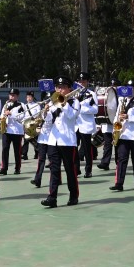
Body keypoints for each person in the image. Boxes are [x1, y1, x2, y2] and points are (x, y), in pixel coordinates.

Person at [40, 76, 81, 208]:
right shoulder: (53, 102)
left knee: (70, 171)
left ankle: (74, 195)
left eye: (63, 87)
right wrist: (45, 112)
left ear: (69, 88)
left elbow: (71, 116)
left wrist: (63, 104)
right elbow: (47, 122)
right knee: (54, 170)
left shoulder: (74, 102)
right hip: (53, 140)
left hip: (68, 142)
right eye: (58, 87)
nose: (60, 90)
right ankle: (52, 198)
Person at [110, 80, 134, 191]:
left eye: (132, 88)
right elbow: (116, 116)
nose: (129, 90)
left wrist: (129, 118)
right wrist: (115, 130)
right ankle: (119, 183)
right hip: (123, 134)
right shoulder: (122, 101)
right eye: (128, 88)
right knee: (122, 159)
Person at [75, 73, 98, 178]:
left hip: (85, 125)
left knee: (87, 149)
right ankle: (76, 169)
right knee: (73, 148)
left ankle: (88, 170)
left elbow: (95, 109)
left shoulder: (91, 94)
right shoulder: (73, 94)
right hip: (75, 125)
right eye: (80, 81)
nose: (81, 83)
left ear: (87, 82)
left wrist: (82, 109)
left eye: (83, 81)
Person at [0, 88, 26, 175]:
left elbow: (22, 117)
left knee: (17, 151)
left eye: (13, 95)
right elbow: (1, 115)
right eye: (10, 95)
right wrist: (2, 119)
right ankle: (4, 168)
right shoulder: (6, 105)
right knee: (5, 150)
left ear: (17, 96)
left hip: (17, 131)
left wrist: (11, 114)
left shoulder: (21, 105)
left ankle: (17, 168)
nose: (11, 96)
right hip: (6, 130)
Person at [29, 91, 53, 187]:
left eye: (48, 99)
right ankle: (37, 179)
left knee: (53, 161)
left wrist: (46, 111)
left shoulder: (56, 107)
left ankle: (57, 178)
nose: (46, 101)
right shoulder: (43, 108)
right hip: (43, 137)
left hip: (52, 137)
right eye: (45, 99)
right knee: (41, 159)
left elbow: (50, 120)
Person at [21, 91, 39, 160]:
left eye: (30, 97)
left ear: (33, 97)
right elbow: (22, 115)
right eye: (28, 97)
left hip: (33, 124)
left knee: (35, 139)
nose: (29, 98)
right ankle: (24, 154)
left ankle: (37, 153)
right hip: (26, 124)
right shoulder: (24, 106)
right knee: (26, 140)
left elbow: (38, 114)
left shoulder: (36, 105)